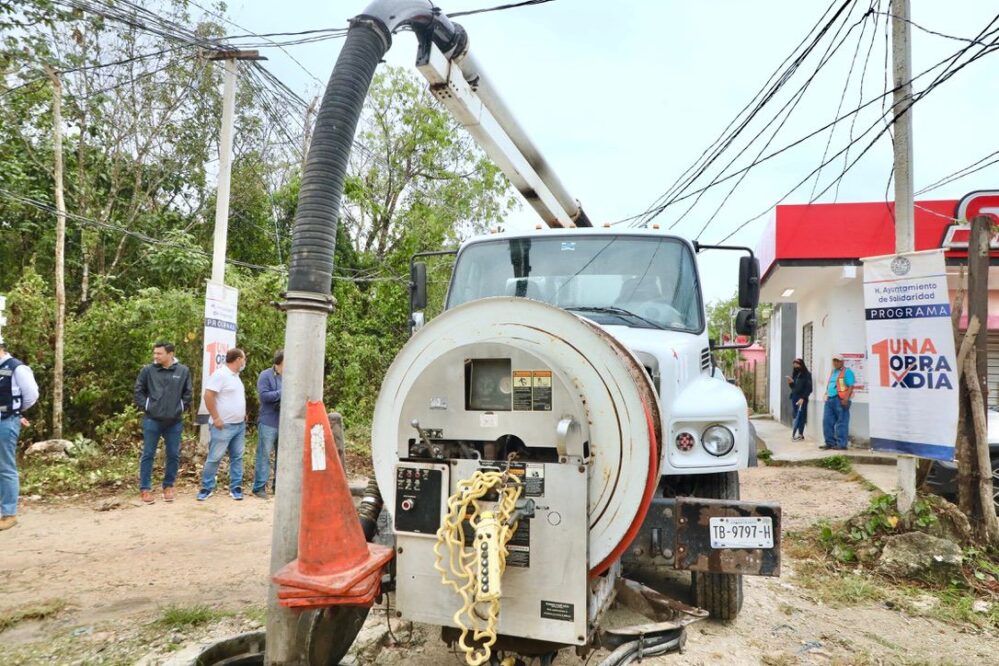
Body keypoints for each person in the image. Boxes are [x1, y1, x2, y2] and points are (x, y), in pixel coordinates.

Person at [134, 341, 193, 504]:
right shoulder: (148, 370)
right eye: (154, 353)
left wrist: (179, 408)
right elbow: (138, 391)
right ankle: (145, 489)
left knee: (173, 454)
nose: (155, 356)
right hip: (152, 420)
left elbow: (188, 394)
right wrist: (148, 407)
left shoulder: (183, 371)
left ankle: (168, 486)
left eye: (159, 353)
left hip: (174, 422)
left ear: (170, 354)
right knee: (148, 454)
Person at [198, 348, 248, 501]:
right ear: (238, 359)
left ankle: (236, 487)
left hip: (239, 426)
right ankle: (206, 488)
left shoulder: (236, 377)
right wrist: (216, 417)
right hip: (223, 426)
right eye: (244, 359)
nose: (245, 362)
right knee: (215, 457)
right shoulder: (221, 375)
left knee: (237, 457)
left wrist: (242, 414)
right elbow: (208, 396)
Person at [0, 340, 39, 531]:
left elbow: (31, 395)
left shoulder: (17, 368)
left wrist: (15, 413)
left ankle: (9, 513)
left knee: (6, 467)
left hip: (5, 422)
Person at [252, 349, 283, 499]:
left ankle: (279, 486)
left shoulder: (291, 376)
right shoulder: (266, 375)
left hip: (285, 423)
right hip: (268, 421)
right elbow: (264, 396)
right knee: (264, 454)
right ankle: (259, 487)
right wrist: (282, 393)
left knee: (282, 456)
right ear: (279, 363)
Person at [821, 354, 855, 450]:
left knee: (841, 422)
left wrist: (846, 399)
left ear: (842, 362)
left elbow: (851, 386)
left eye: (838, 361)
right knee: (826, 421)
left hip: (840, 400)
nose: (835, 363)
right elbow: (831, 384)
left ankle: (841, 444)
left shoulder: (847, 372)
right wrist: (826, 394)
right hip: (830, 399)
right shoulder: (833, 372)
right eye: (834, 361)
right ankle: (830, 443)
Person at [786, 358, 812, 441]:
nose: (795, 366)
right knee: (796, 415)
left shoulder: (807, 374)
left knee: (801, 416)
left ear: (801, 365)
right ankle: (796, 433)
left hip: (802, 398)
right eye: (794, 364)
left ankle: (801, 434)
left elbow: (809, 388)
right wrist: (790, 383)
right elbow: (794, 388)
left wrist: (803, 398)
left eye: (797, 364)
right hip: (794, 397)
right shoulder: (796, 374)